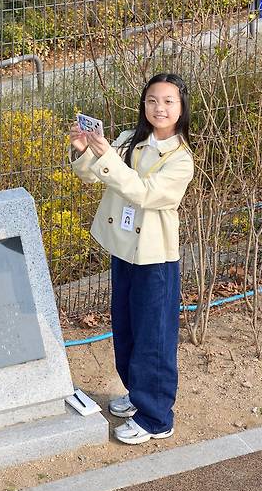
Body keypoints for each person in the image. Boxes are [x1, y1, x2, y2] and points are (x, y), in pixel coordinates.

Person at [68, 73, 194, 445]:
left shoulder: (181, 159)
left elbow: (143, 193)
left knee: (154, 336)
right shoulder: (128, 140)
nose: (160, 108)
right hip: (123, 249)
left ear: (181, 108)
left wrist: (105, 155)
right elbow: (96, 176)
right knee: (126, 328)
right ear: (144, 104)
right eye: (153, 100)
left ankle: (156, 417)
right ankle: (137, 393)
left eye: (169, 101)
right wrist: (83, 150)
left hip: (155, 258)